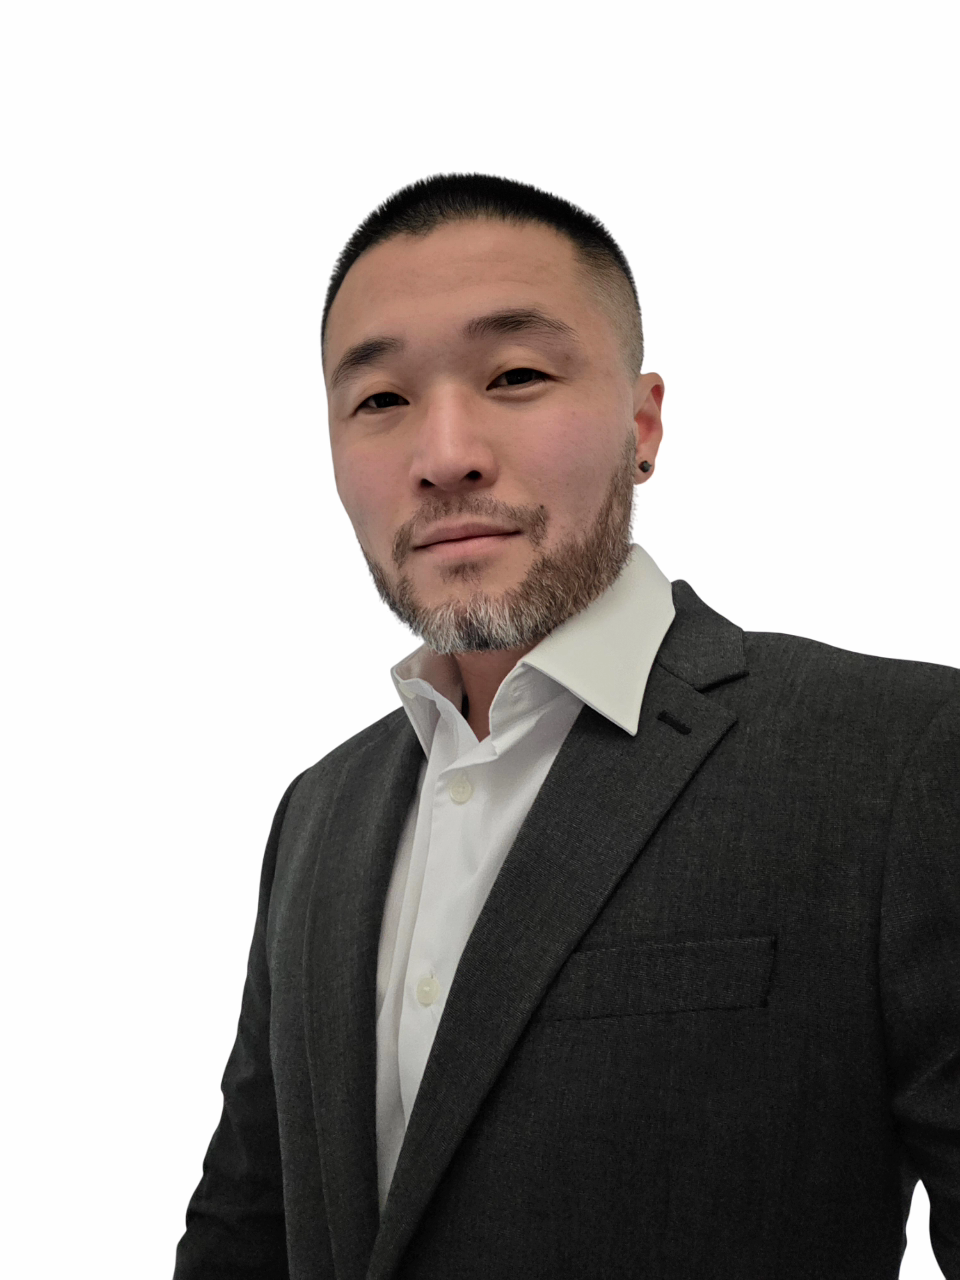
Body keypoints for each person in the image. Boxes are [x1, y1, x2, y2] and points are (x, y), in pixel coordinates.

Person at [172, 173, 960, 1280]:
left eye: (517, 375)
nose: (444, 452)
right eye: (381, 400)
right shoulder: (319, 811)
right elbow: (247, 1224)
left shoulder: (901, 759)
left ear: (643, 423)